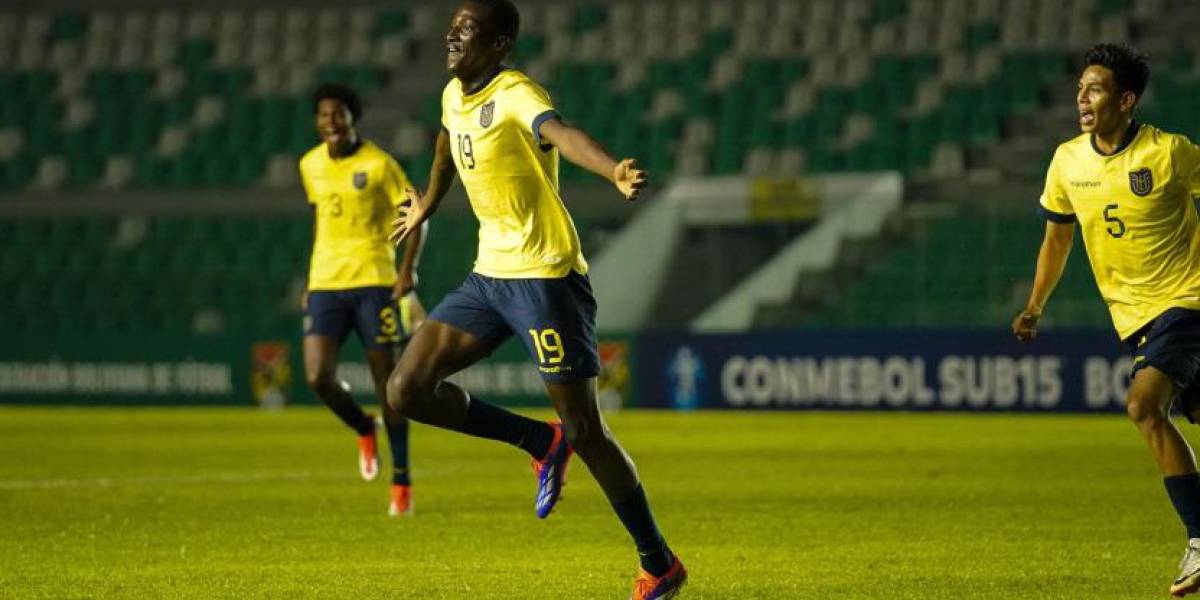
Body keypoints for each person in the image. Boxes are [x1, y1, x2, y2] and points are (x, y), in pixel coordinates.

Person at [386, 1, 686, 597]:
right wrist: (427, 203)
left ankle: (659, 563)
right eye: (452, 25)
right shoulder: (452, 95)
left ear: (497, 44)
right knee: (405, 390)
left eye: (466, 29)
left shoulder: (516, 92)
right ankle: (535, 440)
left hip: (547, 279)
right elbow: (448, 143)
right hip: (488, 276)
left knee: (586, 430)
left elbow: (563, 134)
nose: (452, 34)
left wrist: (611, 171)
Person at [1012, 43, 1200, 597]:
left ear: (1126, 99)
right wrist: (1034, 304)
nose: (1082, 99)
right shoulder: (1068, 161)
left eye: (1094, 89)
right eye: (1079, 89)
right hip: (1133, 317)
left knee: (1143, 405)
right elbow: (1057, 238)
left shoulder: (1168, 153)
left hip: (1187, 301)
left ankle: (1198, 537)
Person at [300, 83, 428, 517]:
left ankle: (402, 480)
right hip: (326, 284)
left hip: (375, 283)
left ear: (352, 118)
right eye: (323, 115)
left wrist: (407, 272)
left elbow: (418, 214)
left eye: (338, 114)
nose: (330, 122)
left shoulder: (378, 165)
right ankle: (362, 425)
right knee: (318, 376)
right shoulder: (310, 165)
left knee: (390, 387)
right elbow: (321, 219)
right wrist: (310, 277)